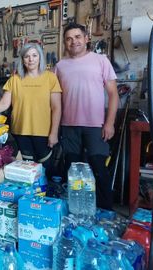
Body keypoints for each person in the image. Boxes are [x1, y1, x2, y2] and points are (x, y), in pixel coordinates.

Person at [54, 23, 119, 210]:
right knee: (73, 171)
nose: (73, 41)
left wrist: (110, 123)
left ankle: (106, 212)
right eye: (69, 38)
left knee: (99, 169)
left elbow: (114, 94)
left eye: (77, 37)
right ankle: (77, 211)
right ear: (65, 43)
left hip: (96, 126)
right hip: (69, 127)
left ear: (86, 38)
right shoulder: (60, 66)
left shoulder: (101, 61)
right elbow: (53, 97)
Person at [0, 43, 62, 172]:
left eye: (34, 55)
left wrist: (54, 133)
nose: (31, 59)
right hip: (20, 132)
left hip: (44, 132)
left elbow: (56, 107)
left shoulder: (50, 78)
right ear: (22, 59)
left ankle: (46, 191)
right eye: (27, 56)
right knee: (26, 171)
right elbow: (4, 104)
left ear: (40, 57)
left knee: (45, 170)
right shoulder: (15, 79)